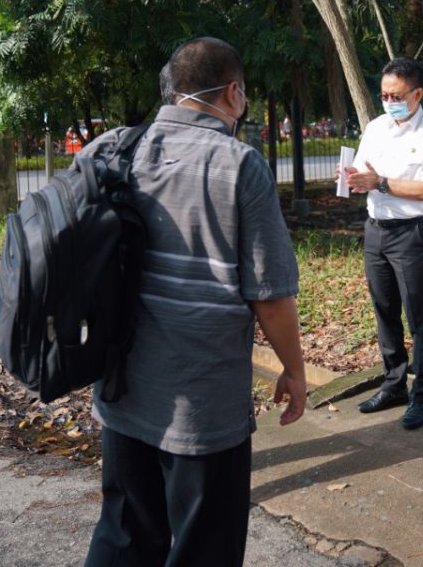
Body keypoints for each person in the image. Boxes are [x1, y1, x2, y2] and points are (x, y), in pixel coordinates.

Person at [82, 38, 307, 567]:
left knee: (123, 536)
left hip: (120, 388)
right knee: (204, 546)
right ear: (234, 93)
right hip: (202, 407)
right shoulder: (237, 164)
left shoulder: (113, 147)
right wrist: (293, 370)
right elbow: (270, 296)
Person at [345, 56, 423, 430]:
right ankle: (393, 383)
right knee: (384, 310)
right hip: (376, 230)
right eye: (384, 94)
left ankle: (422, 393)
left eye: (397, 94)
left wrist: (381, 182)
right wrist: (355, 180)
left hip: (410, 233)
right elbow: (363, 173)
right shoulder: (375, 128)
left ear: (418, 93)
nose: (389, 100)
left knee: (418, 316)